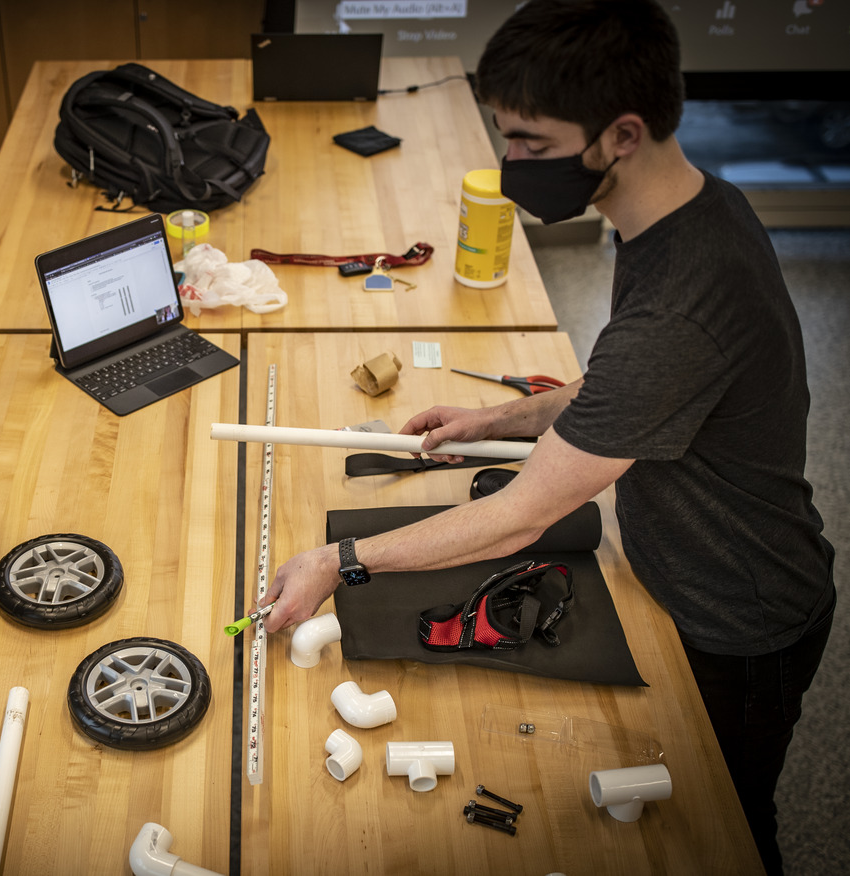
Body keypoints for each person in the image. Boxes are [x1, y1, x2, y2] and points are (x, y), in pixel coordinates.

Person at [260, 2, 835, 873]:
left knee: (723, 835)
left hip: (735, 617)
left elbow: (519, 516)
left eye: (531, 143)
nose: (512, 165)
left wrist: (337, 562)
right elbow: (617, 388)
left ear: (621, 135)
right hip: (673, 567)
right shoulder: (688, 213)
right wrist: (495, 419)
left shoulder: (680, 301)